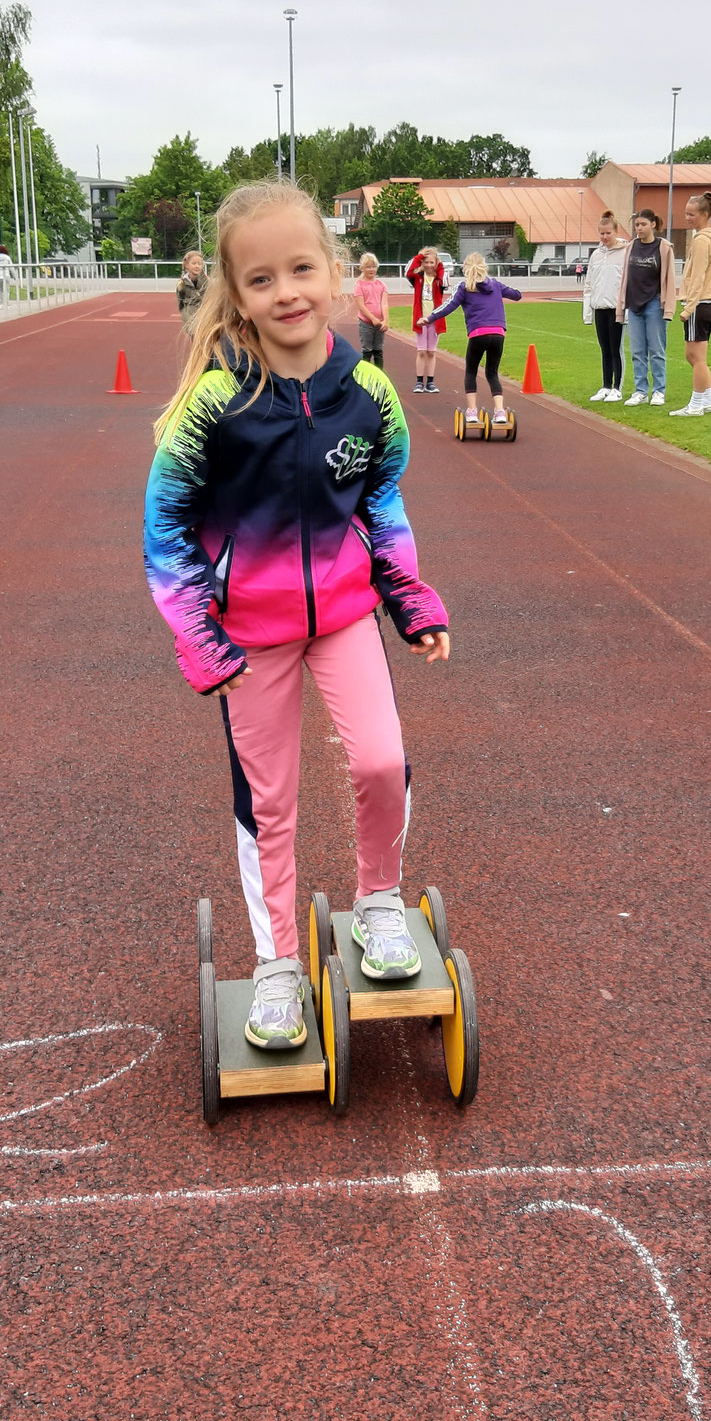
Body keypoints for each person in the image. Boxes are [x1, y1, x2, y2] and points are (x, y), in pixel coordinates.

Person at [145, 181, 450, 1051]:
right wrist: (199, 635)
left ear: (336, 273)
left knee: (383, 761)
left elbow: (382, 504)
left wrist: (410, 599)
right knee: (269, 801)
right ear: (235, 296)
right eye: (262, 279)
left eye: (303, 268)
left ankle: (378, 905)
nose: (288, 292)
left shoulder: (367, 394)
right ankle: (278, 961)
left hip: (347, 613)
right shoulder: (214, 404)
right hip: (248, 636)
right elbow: (163, 529)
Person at [434, 252, 522, 427]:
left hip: (477, 334)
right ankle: (499, 411)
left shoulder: (464, 287)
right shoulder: (495, 284)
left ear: (466, 269)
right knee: (492, 373)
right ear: (484, 267)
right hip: (498, 334)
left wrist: (429, 318)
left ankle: (472, 411)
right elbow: (516, 295)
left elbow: (449, 306)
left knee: (471, 371)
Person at [671, 191, 711, 417]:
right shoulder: (709, 239)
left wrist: (688, 307)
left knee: (696, 357)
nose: (687, 218)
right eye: (686, 213)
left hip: (701, 303)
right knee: (693, 356)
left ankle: (696, 404)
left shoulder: (703, 241)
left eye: (691, 214)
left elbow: (698, 276)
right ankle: (707, 400)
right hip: (706, 303)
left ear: (704, 214)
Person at [615, 206, 676, 406]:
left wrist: (667, 307)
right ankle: (640, 391)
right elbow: (625, 276)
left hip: (654, 303)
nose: (639, 229)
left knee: (657, 350)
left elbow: (669, 278)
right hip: (634, 305)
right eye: (636, 226)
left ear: (653, 224)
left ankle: (659, 391)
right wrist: (622, 305)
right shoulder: (631, 247)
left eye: (642, 225)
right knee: (637, 351)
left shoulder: (664, 248)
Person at [581, 210, 627, 400]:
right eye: (602, 233)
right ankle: (606, 385)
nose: (605, 236)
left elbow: (626, 282)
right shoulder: (596, 255)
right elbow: (589, 283)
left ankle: (617, 387)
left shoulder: (625, 252)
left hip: (616, 308)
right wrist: (587, 311)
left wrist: (625, 307)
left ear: (615, 231)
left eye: (608, 233)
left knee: (616, 348)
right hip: (599, 307)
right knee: (604, 348)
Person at [406, 245, 446, 393]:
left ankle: (430, 382)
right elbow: (409, 272)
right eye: (426, 262)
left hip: (435, 320)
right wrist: (419, 257)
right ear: (422, 263)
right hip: (420, 320)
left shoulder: (439, 279)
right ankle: (419, 381)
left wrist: (439, 262)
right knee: (421, 351)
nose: (429, 265)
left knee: (431, 352)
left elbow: (443, 278)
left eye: (432, 262)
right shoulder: (417, 278)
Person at [354, 251, 388, 367]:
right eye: (368, 267)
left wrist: (385, 320)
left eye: (373, 266)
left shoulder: (381, 285)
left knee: (378, 350)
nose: (371, 269)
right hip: (366, 323)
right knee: (367, 350)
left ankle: (380, 376)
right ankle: (365, 377)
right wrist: (372, 318)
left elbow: (384, 303)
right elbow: (361, 305)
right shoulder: (359, 285)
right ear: (362, 268)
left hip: (379, 323)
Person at [177, 249, 208, 318]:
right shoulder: (181, 284)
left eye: (199, 264)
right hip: (189, 319)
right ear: (186, 265)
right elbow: (180, 303)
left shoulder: (207, 282)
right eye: (194, 263)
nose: (197, 266)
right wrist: (185, 316)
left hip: (204, 318)